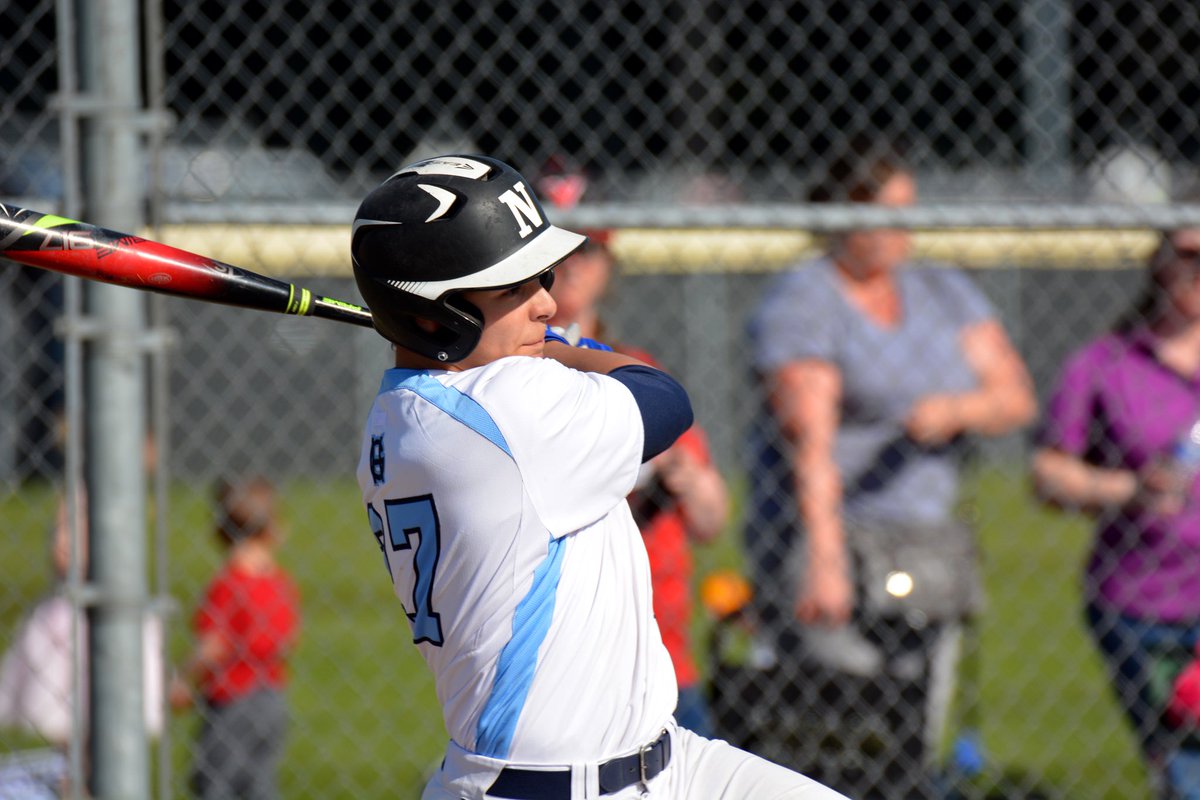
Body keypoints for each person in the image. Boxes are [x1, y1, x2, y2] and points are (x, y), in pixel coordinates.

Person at [350, 153, 848, 800]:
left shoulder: (395, 417)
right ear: (430, 316)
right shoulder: (508, 411)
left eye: (542, 279)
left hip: (672, 762)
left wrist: (528, 340)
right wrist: (565, 344)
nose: (547, 303)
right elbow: (663, 398)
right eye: (514, 290)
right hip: (555, 788)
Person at [743, 140, 1036, 798]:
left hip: (925, 534)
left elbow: (1013, 393)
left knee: (919, 718)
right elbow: (807, 442)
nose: (899, 230)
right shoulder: (806, 300)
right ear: (843, 217)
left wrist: (959, 408)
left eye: (908, 212)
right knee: (841, 720)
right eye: (883, 213)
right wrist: (823, 557)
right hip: (833, 532)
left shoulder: (940, 289)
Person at [1031, 225, 1200, 800]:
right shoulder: (1107, 364)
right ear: (1160, 264)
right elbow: (1049, 473)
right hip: (1146, 602)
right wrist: (1129, 488)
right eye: (1189, 257)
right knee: (1186, 767)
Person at [546, 228, 731, 738]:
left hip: (661, 647)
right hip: (564, 653)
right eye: (557, 249)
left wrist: (681, 472)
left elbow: (711, 517)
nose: (574, 264)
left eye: (589, 248)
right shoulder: (509, 375)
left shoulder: (636, 369)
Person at [169, 476, 301, 800]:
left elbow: (213, 644)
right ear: (273, 531)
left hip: (232, 699)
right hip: (272, 697)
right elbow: (288, 636)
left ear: (220, 532)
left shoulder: (229, 586)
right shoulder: (280, 584)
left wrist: (184, 680)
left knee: (214, 782)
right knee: (258, 782)